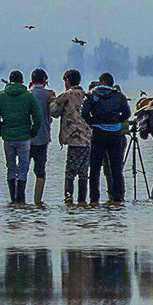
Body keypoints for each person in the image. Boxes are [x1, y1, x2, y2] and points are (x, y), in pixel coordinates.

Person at [0, 70, 41, 203]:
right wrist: (33, 132)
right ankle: (20, 198)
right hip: (24, 137)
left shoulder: (1, 95)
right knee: (23, 167)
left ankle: (12, 198)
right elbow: (38, 117)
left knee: (11, 167)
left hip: (8, 137)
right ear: (22, 81)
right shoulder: (28, 96)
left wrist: (1, 131)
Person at [81, 73, 131, 203]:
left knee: (95, 168)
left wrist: (93, 122)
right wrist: (116, 121)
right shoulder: (119, 96)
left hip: (98, 133)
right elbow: (127, 113)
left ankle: (94, 198)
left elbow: (84, 112)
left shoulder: (92, 94)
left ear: (102, 82)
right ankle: (118, 197)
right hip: (115, 134)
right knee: (116, 167)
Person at [50, 69, 92, 203]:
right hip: (87, 139)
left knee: (70, 172)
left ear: (67, 80)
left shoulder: (67, 95)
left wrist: (51, 99)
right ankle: (82, 201)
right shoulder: (87, 95)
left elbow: (54, 111)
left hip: (74, 139)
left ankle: (68, 198)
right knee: (83, 173)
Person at [28, 68, 55, 205]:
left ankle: (18, 201)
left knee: (22, 169)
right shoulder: (48, 95)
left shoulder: (28, 94)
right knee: (40, 171)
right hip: (43, 137)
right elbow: (52, 115)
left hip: (27, 138)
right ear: (44, 80)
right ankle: (37, 201)